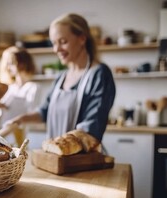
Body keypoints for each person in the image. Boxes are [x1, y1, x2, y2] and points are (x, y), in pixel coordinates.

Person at [8, 13, 116, 142]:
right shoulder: (61, 77)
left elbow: (92, 126)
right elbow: (44, 112)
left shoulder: (99, 74)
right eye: (54, 43)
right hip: (57, 156)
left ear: (82, 39)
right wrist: (21, 119)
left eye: (63, 42)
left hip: (83, 159)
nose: (56, 49)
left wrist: (60, 144)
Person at [0, 46, 42, 146]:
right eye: (7, 64)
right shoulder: (8, 89)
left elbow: (32, 115)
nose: (8, 67)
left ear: (22, 64)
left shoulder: (33, 87)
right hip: (4, 138)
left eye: (11, 64)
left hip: (20, 137)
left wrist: (7, 107)